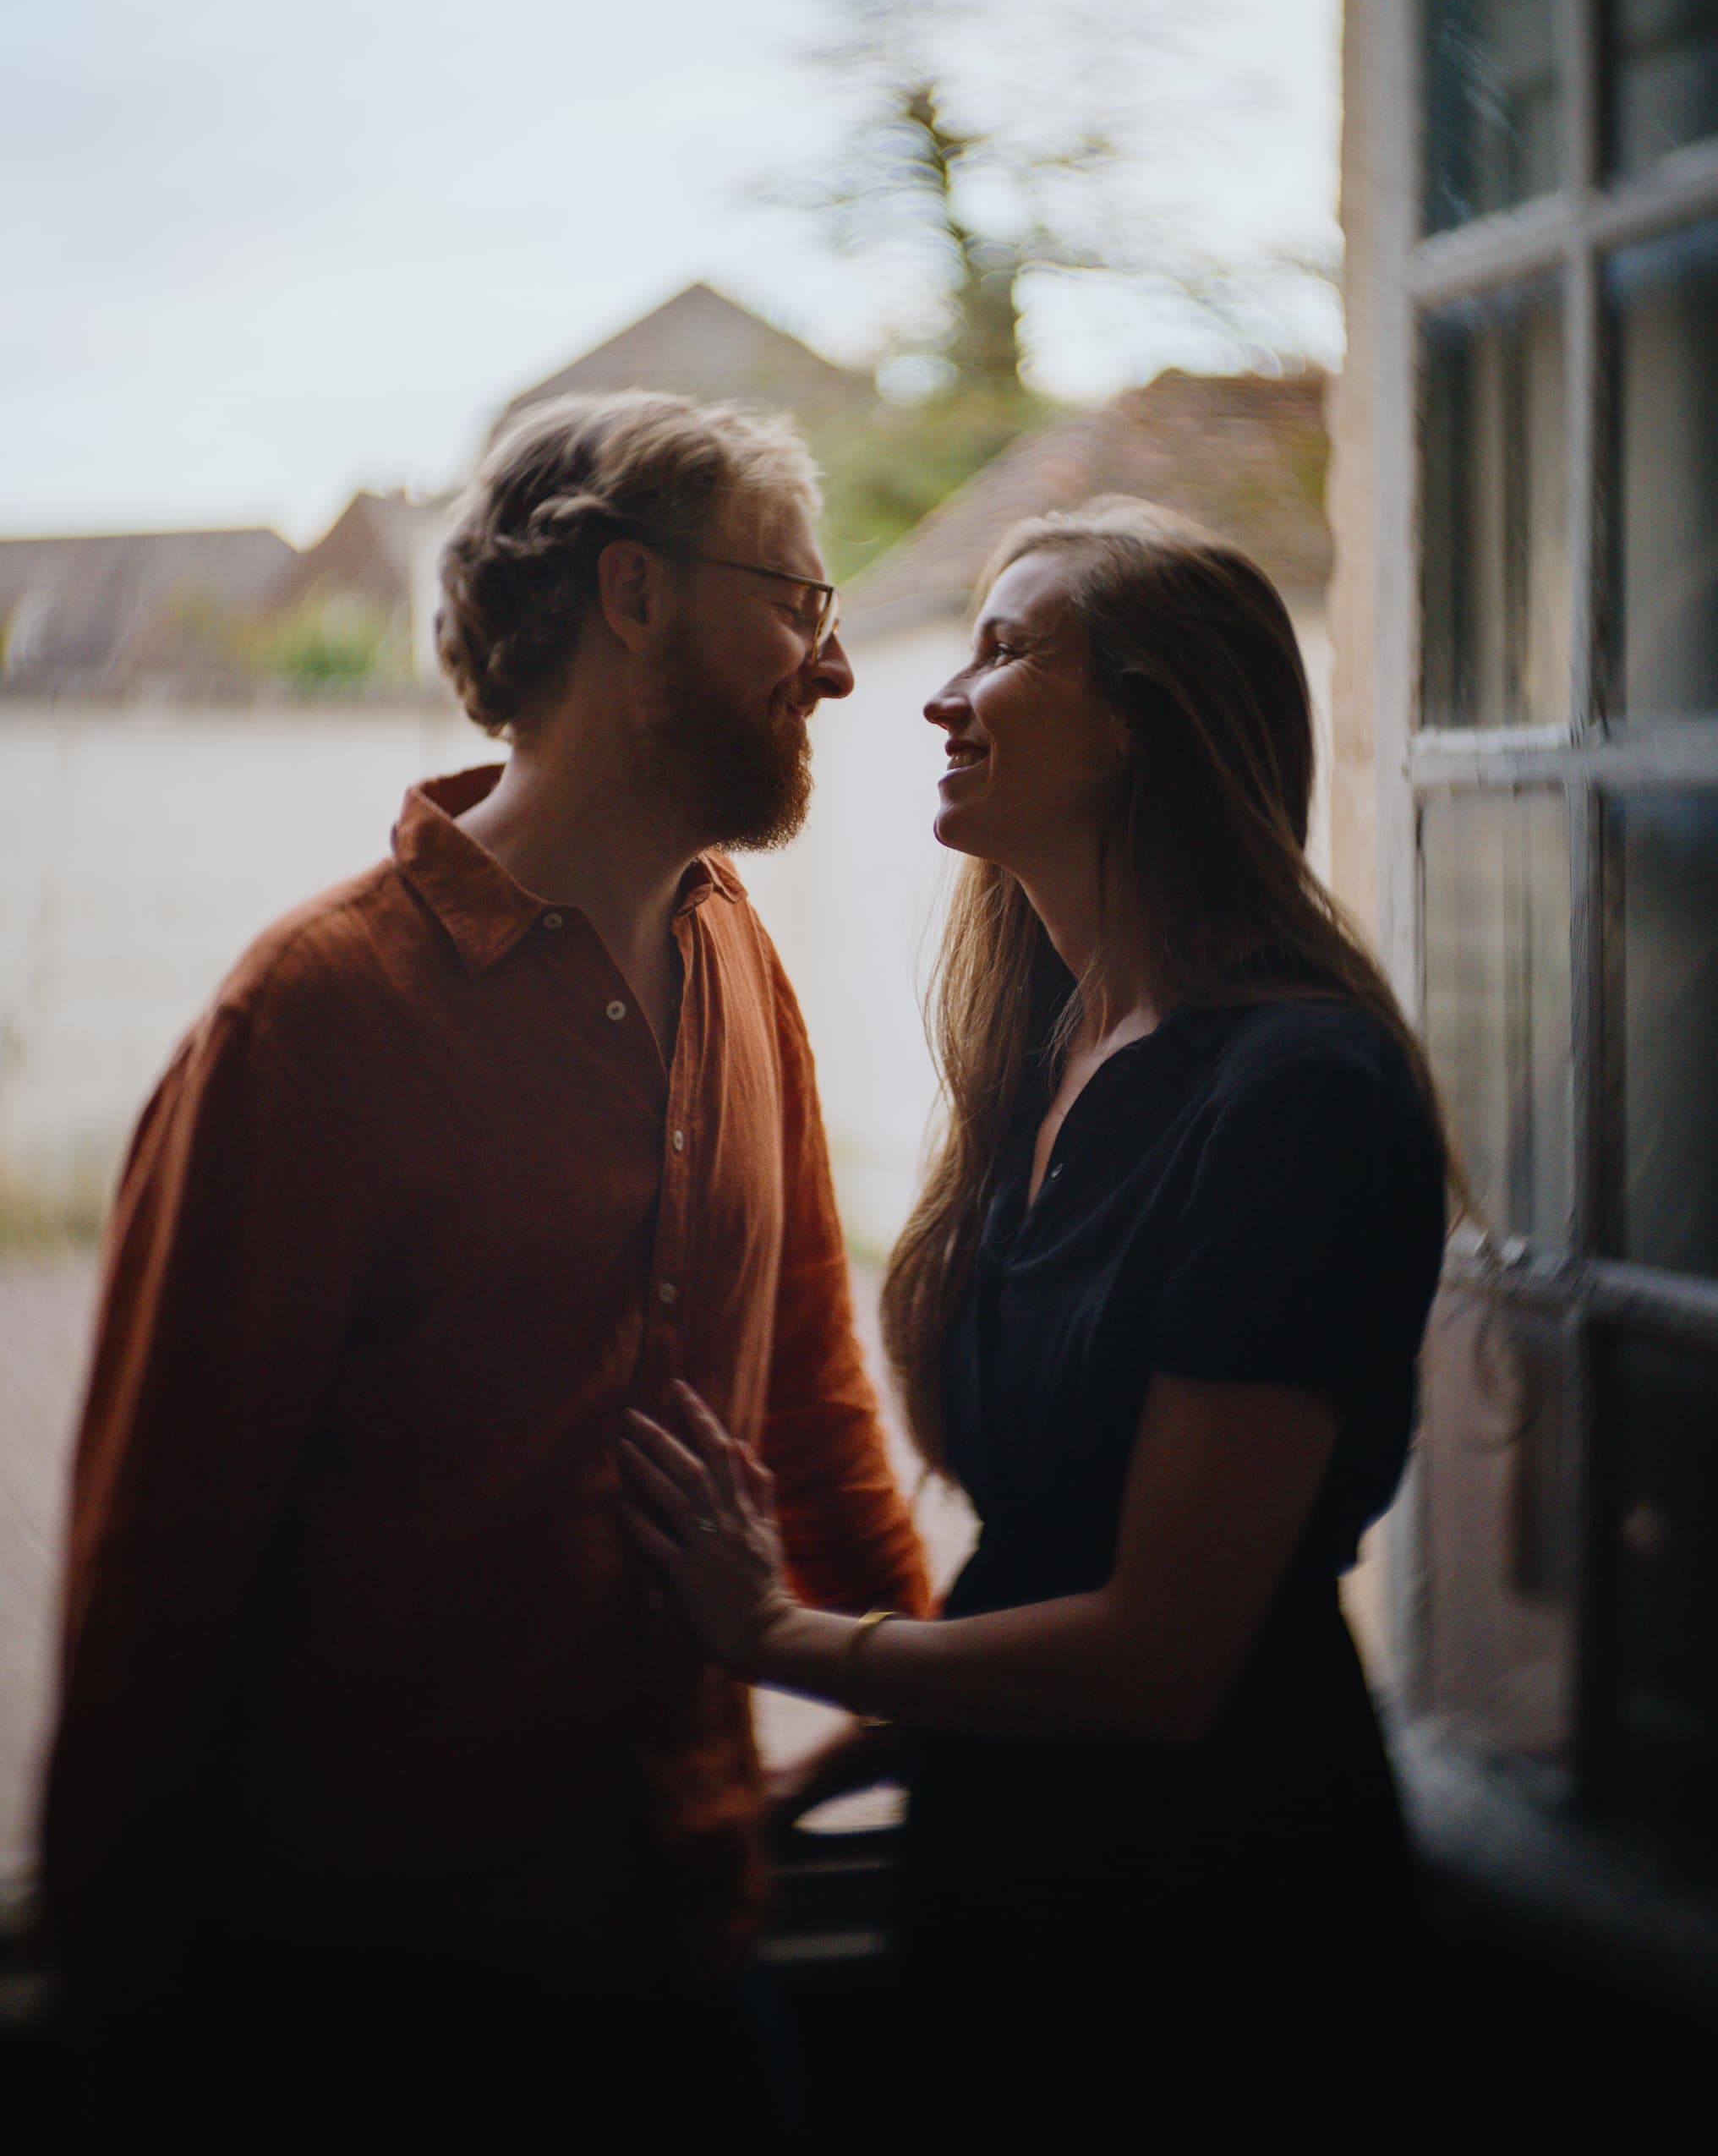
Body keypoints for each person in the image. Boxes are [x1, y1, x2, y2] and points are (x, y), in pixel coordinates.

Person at [43, 388, 931, 2149]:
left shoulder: (740, 967)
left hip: (690, 1954)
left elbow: (813, 1408)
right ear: (632, 594)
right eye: (800, 604)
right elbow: (156, 1574)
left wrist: (919, 1703)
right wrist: (116, 2044)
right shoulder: (310, 1021)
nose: (831, 673)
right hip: (375, 2019)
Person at [621, 498, 1452, 2137]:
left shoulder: (1297, 1100)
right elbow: (1048, 1558)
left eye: (1005, 651)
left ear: (1145, 726)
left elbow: (1157, 1655)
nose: (938, 698)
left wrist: (775, 1635)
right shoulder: (1051, 1054)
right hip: (1011, 1884)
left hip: (1208, 1937)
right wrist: (832, 1765)